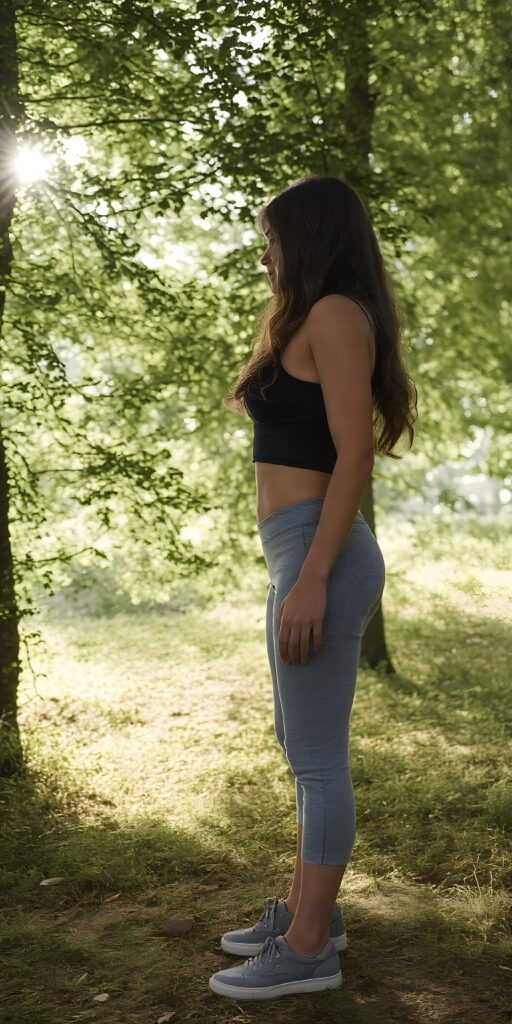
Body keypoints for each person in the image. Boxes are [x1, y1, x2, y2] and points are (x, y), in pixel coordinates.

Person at [209, 175, 417, 1001]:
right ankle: (309, 911)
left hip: (319, 555)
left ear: (312, 237)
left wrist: (313, 580)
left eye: (274, 239)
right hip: (297, 553)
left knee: (320, 761)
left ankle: (308, 952)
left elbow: (354, 454)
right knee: (301, 751)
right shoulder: (313, 314)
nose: (265, 255)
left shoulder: (334, 314)